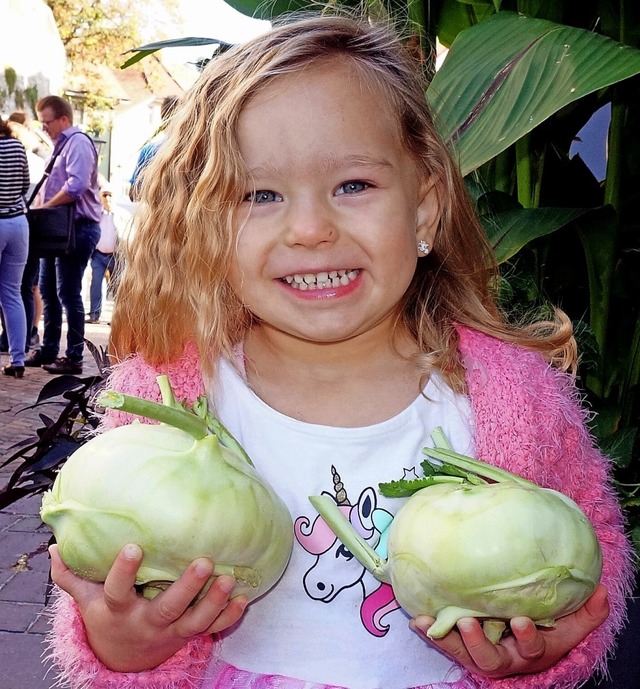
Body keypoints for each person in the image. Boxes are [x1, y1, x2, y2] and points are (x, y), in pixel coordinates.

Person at [46, 13, 634, 689]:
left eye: (353, 185)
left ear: (424, 207)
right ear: (208, 222)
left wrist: (545, 653)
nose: (310, 229)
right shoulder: (171, 392)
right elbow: (100, 586)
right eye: (259, 194)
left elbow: (592, 551)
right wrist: (124, 643)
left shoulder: (516, 399)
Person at [24, 95, 102, 375]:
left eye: (47, 122)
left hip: (77, 228)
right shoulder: (62, 144)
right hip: (58, 229)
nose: (44, 128)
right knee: (48, 291)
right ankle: (49, 350)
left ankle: (74, 357)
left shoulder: (77, 142)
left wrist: (45, 206)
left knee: (68, 293)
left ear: (63, 119)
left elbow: (76, 186)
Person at [0, 116, 30, 378]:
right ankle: (18, 360)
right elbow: (24, 185)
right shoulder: (16, 146)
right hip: (18, 224)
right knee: (12, 293)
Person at [128, 95, 180, 202]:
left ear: (163, 116)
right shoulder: (192, 151)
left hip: (155, 214)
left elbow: (134, 194)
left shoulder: (149, 151)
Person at [86, 188, 122, 324]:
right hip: (99, 255)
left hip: (115, 257)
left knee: (117, 288)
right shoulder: (98, 216)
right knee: (96, 285)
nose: (107, 202)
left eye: (109, 199)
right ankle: (94, 315)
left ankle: (117, 318)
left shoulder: (119, 216)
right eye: (105, 199)